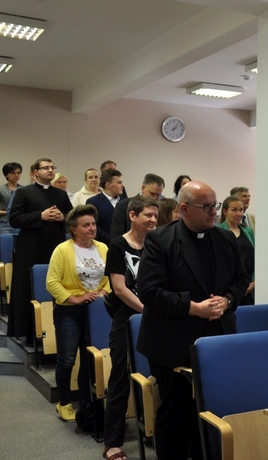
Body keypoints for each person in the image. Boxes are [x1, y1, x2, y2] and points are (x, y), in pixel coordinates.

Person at [137, 181, 250, 460]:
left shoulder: (226, 239)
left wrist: (228, 300)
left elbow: (241, 278)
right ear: (185, 209)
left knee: (211, 412)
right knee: (176, 415)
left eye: (216, 206)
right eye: (207, 207)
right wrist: (193, 307)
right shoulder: (160, 240)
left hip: (216, 340)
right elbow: (150, 291)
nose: (214, 212)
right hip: (172, 342)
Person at [102, 196, 159, 460]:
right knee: (120, 380)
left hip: (155, 320)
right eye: (148, 215)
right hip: (126, 320)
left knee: (160, 376)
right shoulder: (118, 245)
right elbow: (120, 289)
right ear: (133, 215)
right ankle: (112, 443)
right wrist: (148, 310)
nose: (153, 220)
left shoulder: (158, 244)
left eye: (156, 215)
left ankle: (156, 431)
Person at [46, 204, 111, 423]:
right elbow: (52, 282)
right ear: (74, 229)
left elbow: (112, 277)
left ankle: (85, 403)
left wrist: (102, 291)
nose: (92, 228)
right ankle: (63, 402)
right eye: (86, 225)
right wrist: (75, 298)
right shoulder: (62, 249)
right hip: (69, 312)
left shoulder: (103, 247)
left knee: (89, 358)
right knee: (67, 359)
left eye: (93, 224)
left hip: (96, 312)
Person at [9, 158, 74, 341]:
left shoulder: (61, 195)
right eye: (46, 168)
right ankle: (30, 332)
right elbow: (14, 219)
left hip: (55, 247)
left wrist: (63, 217)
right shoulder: (23, 192)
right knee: (29, 287)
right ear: (35, 172)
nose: (50, 170)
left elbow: (71, 217)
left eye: (53, 167)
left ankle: (55, 334)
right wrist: (41, 215)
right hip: (30, 248)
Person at [217, 196, 255, 305]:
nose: (239, 214)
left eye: (241, 210)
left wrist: (253, 283)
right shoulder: (218, 232)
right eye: (234, 210)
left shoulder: (248, 231)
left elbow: (255, 257)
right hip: (229, 289)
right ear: (225, 211)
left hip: (249, 287)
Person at [86, 168, 124, 245]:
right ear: (108, 185)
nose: (122, 186)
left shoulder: (125, 201)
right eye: (119, 183)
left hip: (124, 245)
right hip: (103, 245)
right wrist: (112, 240)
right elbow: (94, 226)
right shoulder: (93, 202)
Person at [0, 162, 22, 235]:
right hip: (5, 224)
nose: (16, 175)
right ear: (6, 174)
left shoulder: (23, 189)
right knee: (6, 245)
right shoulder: (0, 189)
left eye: (18, 173)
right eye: (13, 173)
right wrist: (6, 213)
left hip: (20, 224)